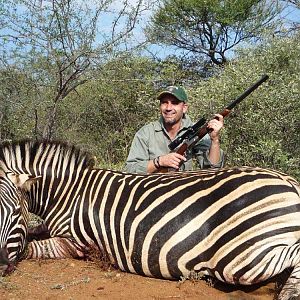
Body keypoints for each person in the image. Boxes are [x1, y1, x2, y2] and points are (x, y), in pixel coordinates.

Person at [125, 85, 224, 173]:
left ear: (184, 108)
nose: (168, 108)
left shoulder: (196, 132)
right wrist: (159, 162)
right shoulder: (145, 133)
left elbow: (212, 170)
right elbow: (130, 169)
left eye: (174, 103)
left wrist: (214, 140)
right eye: (164, 102)